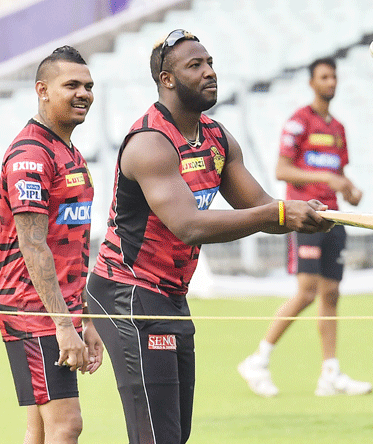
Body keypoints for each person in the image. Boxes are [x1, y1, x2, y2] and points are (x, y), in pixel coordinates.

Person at [86, 29, 333, 444]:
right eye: (195, 66)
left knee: (175, 435)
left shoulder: (216, 137)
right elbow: (189, 226)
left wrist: (300, 216)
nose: (209, 73)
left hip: (169, 294)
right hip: (126, 292)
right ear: (167, 80)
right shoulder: (151, 142)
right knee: (157, 437)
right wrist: (279, 212)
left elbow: (257, 205)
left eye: (211, 63)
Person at [238, 57, 372, 397]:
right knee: (307, 291)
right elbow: (282, 170)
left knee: (331, 294)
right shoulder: (299, 122)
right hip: (307, 219)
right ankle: (258, 359)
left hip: (336, 219)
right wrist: (325, 178)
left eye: (334, 77)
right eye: (324, 77)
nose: (331, 82)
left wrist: (350, 189)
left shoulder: (338, 128)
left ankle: (330, 373)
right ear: (312, 83)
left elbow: (338, 174)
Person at [0, 46, 104, 444]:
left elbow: (75, 247)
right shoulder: (31, 155)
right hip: (31, 308)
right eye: (71, 84)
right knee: (66, 424)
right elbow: (33, 245)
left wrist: (86, 319)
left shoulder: (69, 152)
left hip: (58, 308)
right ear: (42, 90)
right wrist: (63, 323)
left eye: (89, 86)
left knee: (40, 429)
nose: (84, 93)